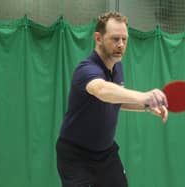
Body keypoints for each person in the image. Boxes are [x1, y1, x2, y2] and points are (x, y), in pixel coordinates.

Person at [56, 11, 168, 187]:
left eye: (124, 39)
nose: (121, 44)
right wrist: (143, 95)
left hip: (106, 154)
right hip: (75, 155)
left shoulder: (117, 67)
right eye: (115, 39)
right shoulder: (86, 69)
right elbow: (101, 90)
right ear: (98, 38)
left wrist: (145, 105)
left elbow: (115, 99)